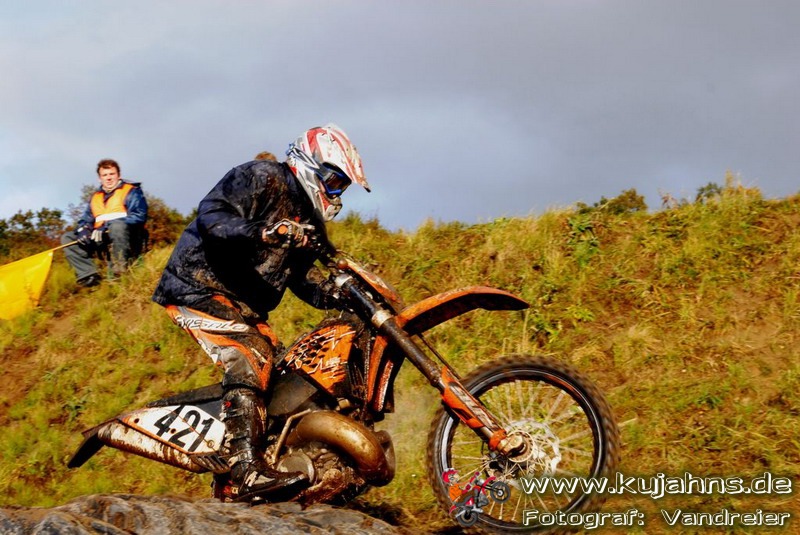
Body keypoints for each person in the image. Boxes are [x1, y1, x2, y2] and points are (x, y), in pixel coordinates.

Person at [151, 124, 371, 501]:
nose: (336, 193)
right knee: (250, 355)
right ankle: (246, 471)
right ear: (310, 165)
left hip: (243, 307)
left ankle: (273, 457)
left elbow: (302, 280)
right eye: (334, 182)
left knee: (287, 372)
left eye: (342, 187)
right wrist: (265, 231)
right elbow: (211, 217)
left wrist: (338, 294)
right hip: (196, 286)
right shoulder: (262, 176)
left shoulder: (308, 221)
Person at [61, 159, 148, 287]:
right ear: (99, 178)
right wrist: (83, 229)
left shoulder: (132, 191)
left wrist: (107, 225)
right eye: (105, 175)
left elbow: (140, 216)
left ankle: (119, 272)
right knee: (67, 238)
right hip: (100, 238)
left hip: (127, 236)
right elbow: (86, 219)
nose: (108, 178)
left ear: (118, 175)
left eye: (112, 174)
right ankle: (89, 275)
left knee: (117, 226)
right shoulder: (95, 197)